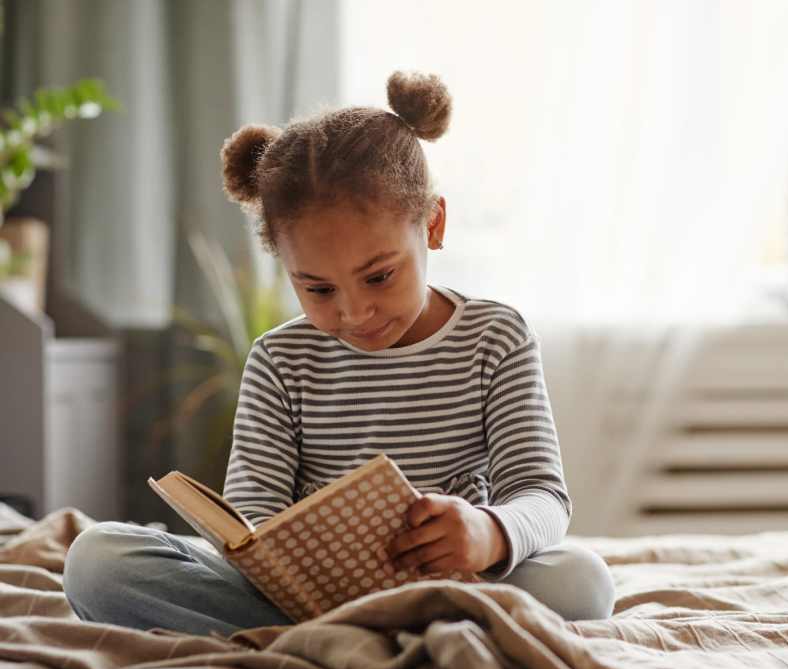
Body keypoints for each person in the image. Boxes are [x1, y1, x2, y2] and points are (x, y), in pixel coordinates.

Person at [63, 70, 615, 638]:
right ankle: (374, 634)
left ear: (433, 223)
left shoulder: (495, 338)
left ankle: (323, 639)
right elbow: (252, 519)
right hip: (301, 599)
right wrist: (289, 556)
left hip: (452, 583)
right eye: (319, 289)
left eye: (379, 277)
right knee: (97, 559)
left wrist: (488, 533)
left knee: (579, 582)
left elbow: (542, 495)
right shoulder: (279, 361)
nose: (354, 313)